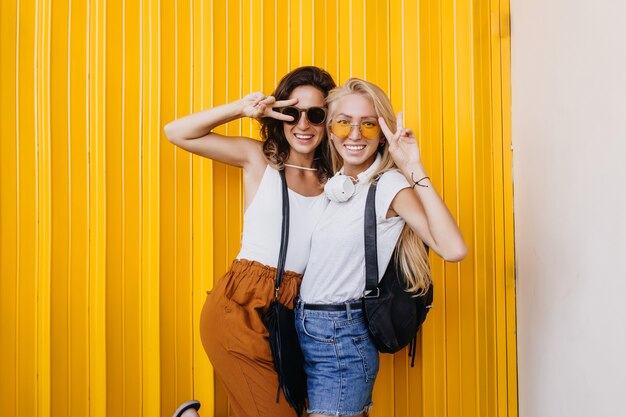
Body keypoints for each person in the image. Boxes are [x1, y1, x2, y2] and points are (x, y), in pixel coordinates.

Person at [163, 66, 336, 417]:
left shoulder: (334, 180)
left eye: (315, 115)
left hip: (291, 317)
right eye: (292, 112)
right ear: (279, 115)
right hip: (238, 307)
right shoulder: (259, 159)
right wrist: (242, 108)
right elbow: (177, 133)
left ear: (328, 122)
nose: (303, 125)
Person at [295, 78, 468, 417]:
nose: (355, 134)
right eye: (344, 123)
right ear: (330, 131)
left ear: (382, 132)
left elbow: (453, 249)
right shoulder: (336, 186)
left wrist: (412, 166)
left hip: (340, 340)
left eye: (368, 124)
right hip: (303, 330)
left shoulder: (389, 186)